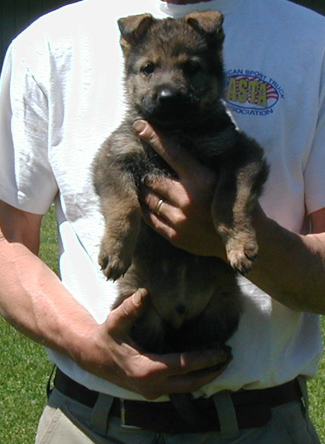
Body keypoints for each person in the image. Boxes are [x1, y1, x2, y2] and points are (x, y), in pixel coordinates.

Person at [0, 0, 324, 442]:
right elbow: (9, 242)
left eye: (190, 70)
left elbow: (245, 162)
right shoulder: (45, 43)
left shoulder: (313, 41)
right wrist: (89, 346)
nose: (169, 86)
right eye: (150, 69)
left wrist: (230, 227)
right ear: (128, 54)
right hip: (91, 420)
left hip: (257, 421)